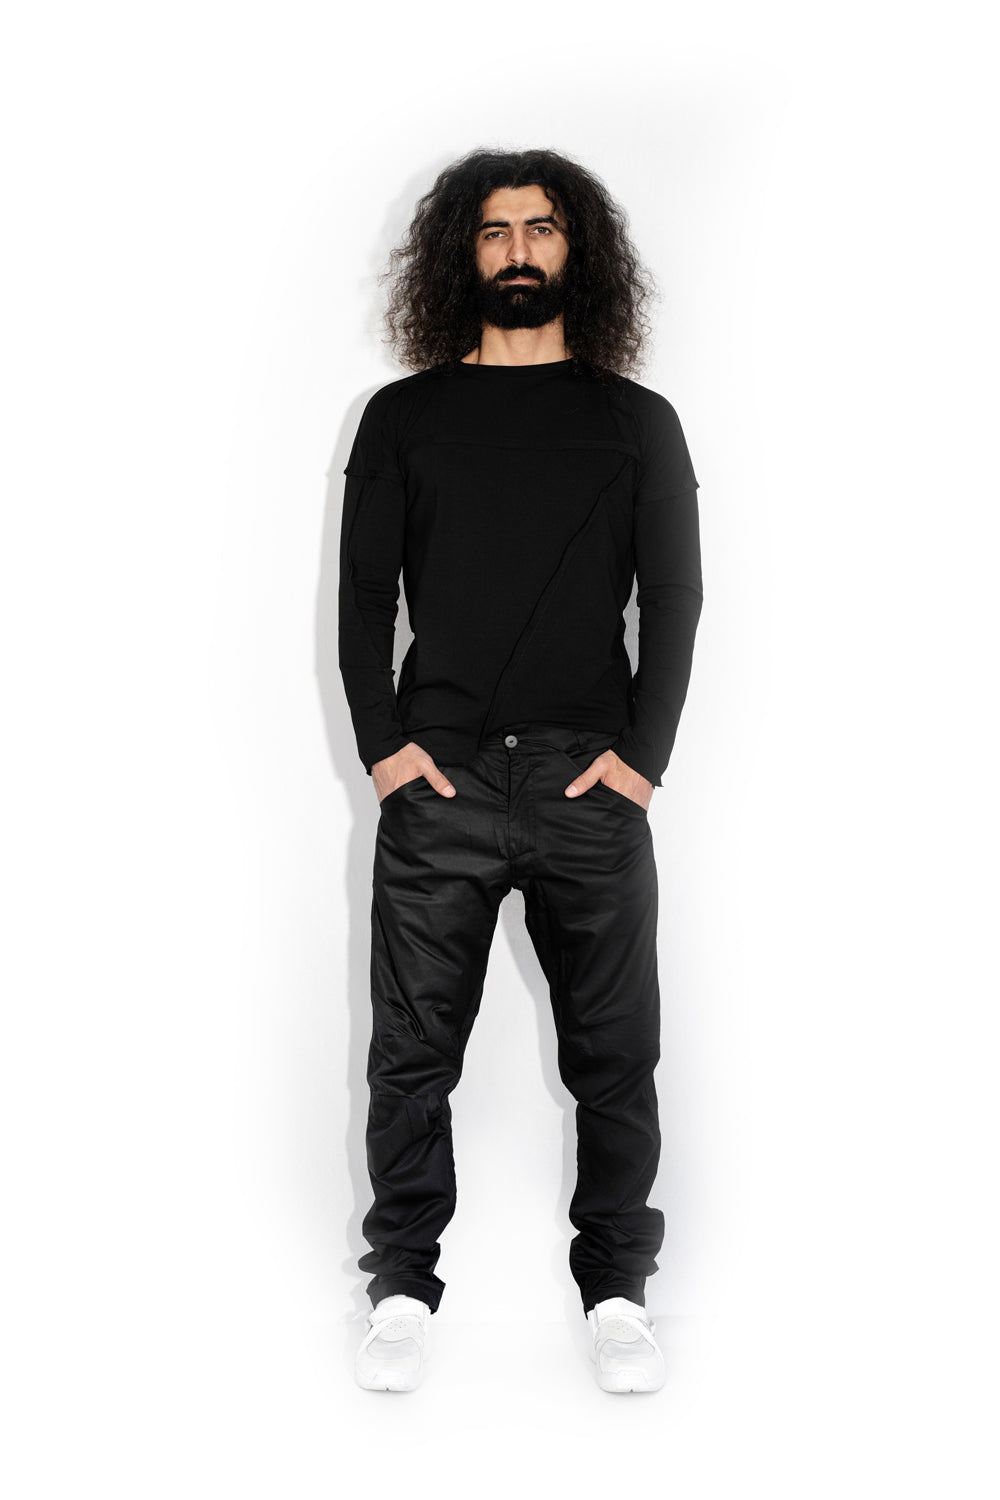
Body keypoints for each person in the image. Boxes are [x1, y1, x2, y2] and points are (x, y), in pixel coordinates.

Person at [338, 147, 703, 1393]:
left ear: (574, 251)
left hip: (585, 785)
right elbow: (362, 600)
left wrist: (641, 763)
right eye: (493, 232)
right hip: (436, 785)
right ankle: (400, 1288)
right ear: (463, 255)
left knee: (616, 1055)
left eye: (540, 228)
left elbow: (675, 598)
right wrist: (385, 751)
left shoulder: (635, 421)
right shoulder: (404, 417)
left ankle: (617, 1293)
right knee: (410, 1057)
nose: (517, 251)